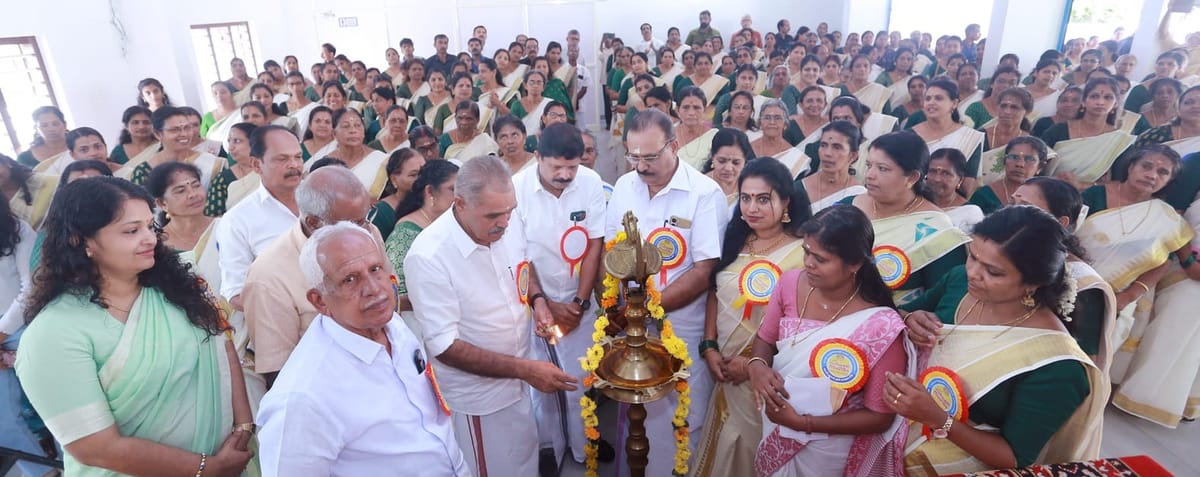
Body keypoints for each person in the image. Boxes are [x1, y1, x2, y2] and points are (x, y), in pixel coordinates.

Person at [15, 177, 254, 476]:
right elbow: (95, 447)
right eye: (131, 231)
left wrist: (243, 430)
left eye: (150, 227)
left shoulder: (179, 286)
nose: (150, 239)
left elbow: (223, 347)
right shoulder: (53, 333)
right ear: (81, 240)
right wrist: (207, 469)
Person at [896, 206, 1106, 475]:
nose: (974, 272)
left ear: (1034, 283)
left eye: (993, 272)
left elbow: (1013, 456)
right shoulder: (960, 281)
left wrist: (939, 419)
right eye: (972, 257)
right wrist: (910, 317)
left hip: (954, 463)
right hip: (896, 418)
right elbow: (904, 315)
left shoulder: (1057, 365)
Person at [405, 155, 575, 476]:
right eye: (493, 215)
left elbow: (523, 267)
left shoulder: (506, 221)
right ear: (460, 203)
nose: (504, 223)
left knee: (524, 464)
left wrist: (537, 301)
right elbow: (446, 347)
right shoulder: (428, 257)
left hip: (519, 383)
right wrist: (526, 369)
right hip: (480, 402)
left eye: (509, 211)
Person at [256, 222, 467, 475]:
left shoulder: (392, 325)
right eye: (350, 279)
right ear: (319, 300)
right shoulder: (303, 398)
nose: (374, 289)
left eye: (375, 269)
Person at [607, 108, 729, 476]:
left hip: (682, 327)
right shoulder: (625, 187)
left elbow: (704, 270)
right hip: (631, 326)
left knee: (682, 417)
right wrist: (614, 308)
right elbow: (612, 252)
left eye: (650, 156)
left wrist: (648, 312)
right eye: (634, 156)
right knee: (637, 410)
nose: (641, 166)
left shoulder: (704, 194)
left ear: (674, 146)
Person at [748, 204, 909, 476]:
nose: (808, 263)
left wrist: (804, 423)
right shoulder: (789, 283)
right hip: (776, 428)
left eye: (820, 259)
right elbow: (764, 340)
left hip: (829, 454)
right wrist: (756, 366)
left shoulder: (881, 325)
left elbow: (880, 416)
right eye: (806, 252)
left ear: (855, 264)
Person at [692, 157, 810, 477]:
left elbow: (803, 327)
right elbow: (715, 293)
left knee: (754, 453)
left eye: (763, 199)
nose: (752, 208)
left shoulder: (803, 253)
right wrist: (709, 346)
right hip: (725, 370)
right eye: (745, 198)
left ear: (785, 201)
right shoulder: (732, 241)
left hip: (769, 377)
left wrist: (754, 365)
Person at [1075, 145, 1200, 428]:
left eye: (1162, 172)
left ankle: (1075, 406)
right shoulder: (1095, 195)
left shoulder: (1167, 219)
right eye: (1146, 166)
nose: (1152, 175)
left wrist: (1128, 295)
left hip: (1115, 297)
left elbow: (1164, 263)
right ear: (1131, 166)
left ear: (1169, 181)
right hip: (1068, 283)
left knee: (1092, 359)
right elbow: (1065, 234)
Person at [508, 123, 606, 468]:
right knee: (544, 383)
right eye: (556, 168)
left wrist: (579, 303)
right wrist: (542, 302)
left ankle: (585, 445)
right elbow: (519, 254)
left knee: (581, 377)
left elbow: (595, 244)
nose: (566, 175)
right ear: (537, 157)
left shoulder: (591, 183)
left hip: (578, 303)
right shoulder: (516, 188)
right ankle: (549, 447)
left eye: (572, 167)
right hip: (537, 305)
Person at [244, 166, 382, 389]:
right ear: (314, 223)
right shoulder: (268, 277)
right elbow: (280, 373)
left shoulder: (365, 232)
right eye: (354, 223)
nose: (363, 230)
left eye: (366, 217)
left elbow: (388, 288)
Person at [843, 131, 969, 305]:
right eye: (868, 165)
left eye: (882, 168)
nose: (870, 175)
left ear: (912, 177)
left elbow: (943, 298)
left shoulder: (937, 231)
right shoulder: (848, 205)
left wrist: (901, 317)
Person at [1011, 177, 1115, 368]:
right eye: (1012, 204)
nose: (1009, 213)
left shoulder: (1081, 282)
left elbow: (1085, 360)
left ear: (1060, 221)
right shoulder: (997, 257)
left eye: (1025, 207)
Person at [216, 125, 303, 313]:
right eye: (282, 159)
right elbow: (235, 292)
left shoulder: (325, 200)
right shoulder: (237, 220)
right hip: (284, 327)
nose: (294, 165)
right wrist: (293, 307)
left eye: (298, 157)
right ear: (256, 165)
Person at [0, 193, 48, 477]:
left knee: (55, 403)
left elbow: (31, 288)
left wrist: (2, 332)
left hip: (24, 325)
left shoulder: (16, 229)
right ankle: (43, 472)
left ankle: (80, 468)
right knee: (3, 420)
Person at [383, 159, 458, 335]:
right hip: (418, 328)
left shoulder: (452, 223)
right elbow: (397, 297)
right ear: (430, 192)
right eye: (453, 189)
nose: (460, 195)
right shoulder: (404, 235)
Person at [1041, 78, 1134, 185]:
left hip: (1091, 198)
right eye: (1094, 96)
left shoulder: (1120, 142)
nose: (1100, 102)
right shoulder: (1057, 131)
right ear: (1084, 102)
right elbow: (1037, 165)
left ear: (1116, 104)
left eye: (1108, 97)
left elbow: (1120, 183)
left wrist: (1081, 185)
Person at [911, 79, 985, 195]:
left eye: (938, 98)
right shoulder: (910, 134)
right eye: (928, 98)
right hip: (912, 201)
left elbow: (968, 184)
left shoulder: (971, 138)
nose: (931, 102)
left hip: (951, 205)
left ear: (954, 103)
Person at [131, 107, 225, 189]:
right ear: (158, 134)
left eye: (187, 128)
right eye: (175, 130)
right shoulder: (144, 171)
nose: (184, 134)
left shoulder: (213, 163)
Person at [309, 109, 390, 199]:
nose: (353, 130)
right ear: (334, 133)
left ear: (363, 132)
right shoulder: (325, 165)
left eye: (358, 125)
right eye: (346, 126)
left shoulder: (382, 161)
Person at [969, 137, 1048, 215]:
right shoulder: (984, 195)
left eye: (1029, 159)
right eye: (1014, 157)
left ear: (1040, 167)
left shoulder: (1045, 200)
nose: (1019, 164)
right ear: (1004, 161)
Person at [804, 121, 866, 212]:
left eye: (837, 147)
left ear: (853, 156)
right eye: (823, 145)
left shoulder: (860, 196)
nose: (827, 153)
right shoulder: (800, 189)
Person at [976, 88, 1034, 183]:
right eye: (1003, 106)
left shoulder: (1031, 143)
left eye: (1014, 107)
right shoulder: (979, 136)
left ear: (1027, 112)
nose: (1007, 111)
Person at [923, 148, 984, 231]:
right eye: (932, 171)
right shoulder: (915, 203)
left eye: (946, 173)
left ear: (960, 180)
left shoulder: (971, 213)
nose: (937, 179)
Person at [204, 122, 258, 216]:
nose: (230, 147)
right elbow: (213, 217)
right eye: (229, 141)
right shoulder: (223, 179)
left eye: (237, 141)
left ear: (254, 143)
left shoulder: (273, 171)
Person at [371, 148, 425, 240]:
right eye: (413, 175)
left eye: (424, 172)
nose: (421, 178)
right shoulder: (381, 213)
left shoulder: (432, 203)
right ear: (394, 180)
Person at [753, 100, 809, 180]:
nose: (772, 122)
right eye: (767, 117)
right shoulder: (747, 148)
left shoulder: (796, 158)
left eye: (777, 118)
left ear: (785, 124)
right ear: (760, 123)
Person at [702, 128, 753, 205]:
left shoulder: (752, 187)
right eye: (722, 161)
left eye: (736, 162)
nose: (728, 168)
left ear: (745, 161)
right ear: (712, 157)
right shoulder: (700, 186)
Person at [511, 70, 556, 136]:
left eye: (539, 83)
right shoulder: (517, 105)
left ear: (543, 87)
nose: (535, 86)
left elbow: (554, 126)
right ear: (525, 85)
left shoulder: (550, 104)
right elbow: (512, 128)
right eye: (532, 82)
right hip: (522, 143)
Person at [282, 72, 318, 138]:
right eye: (291, 84)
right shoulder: (282, 107)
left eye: (298, 83)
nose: (295, 87)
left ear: (304, 85)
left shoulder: (314, 107)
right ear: (287, 86)